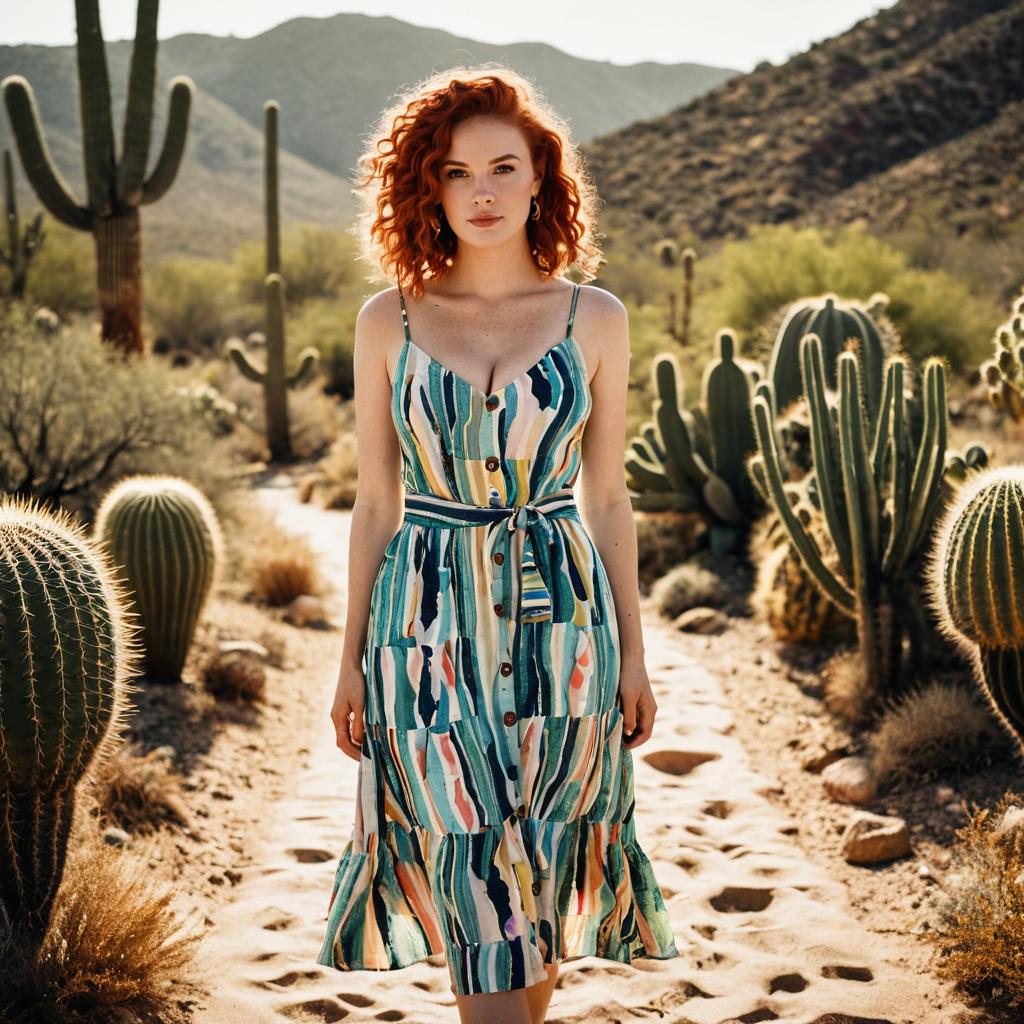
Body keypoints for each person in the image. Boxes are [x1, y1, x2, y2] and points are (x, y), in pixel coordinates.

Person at [317, 65, 679, 1024]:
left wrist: (634, 655)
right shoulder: (387, 320)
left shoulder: (593, 318)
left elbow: (607, 499)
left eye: (503, 168)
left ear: (538, 179)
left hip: (565, 616)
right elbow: (376, 500)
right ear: (427, 188)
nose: (480, 191)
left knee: (545, 864)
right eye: (455, 171)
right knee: (469, 854)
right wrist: (349, 659)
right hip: (423, 625)